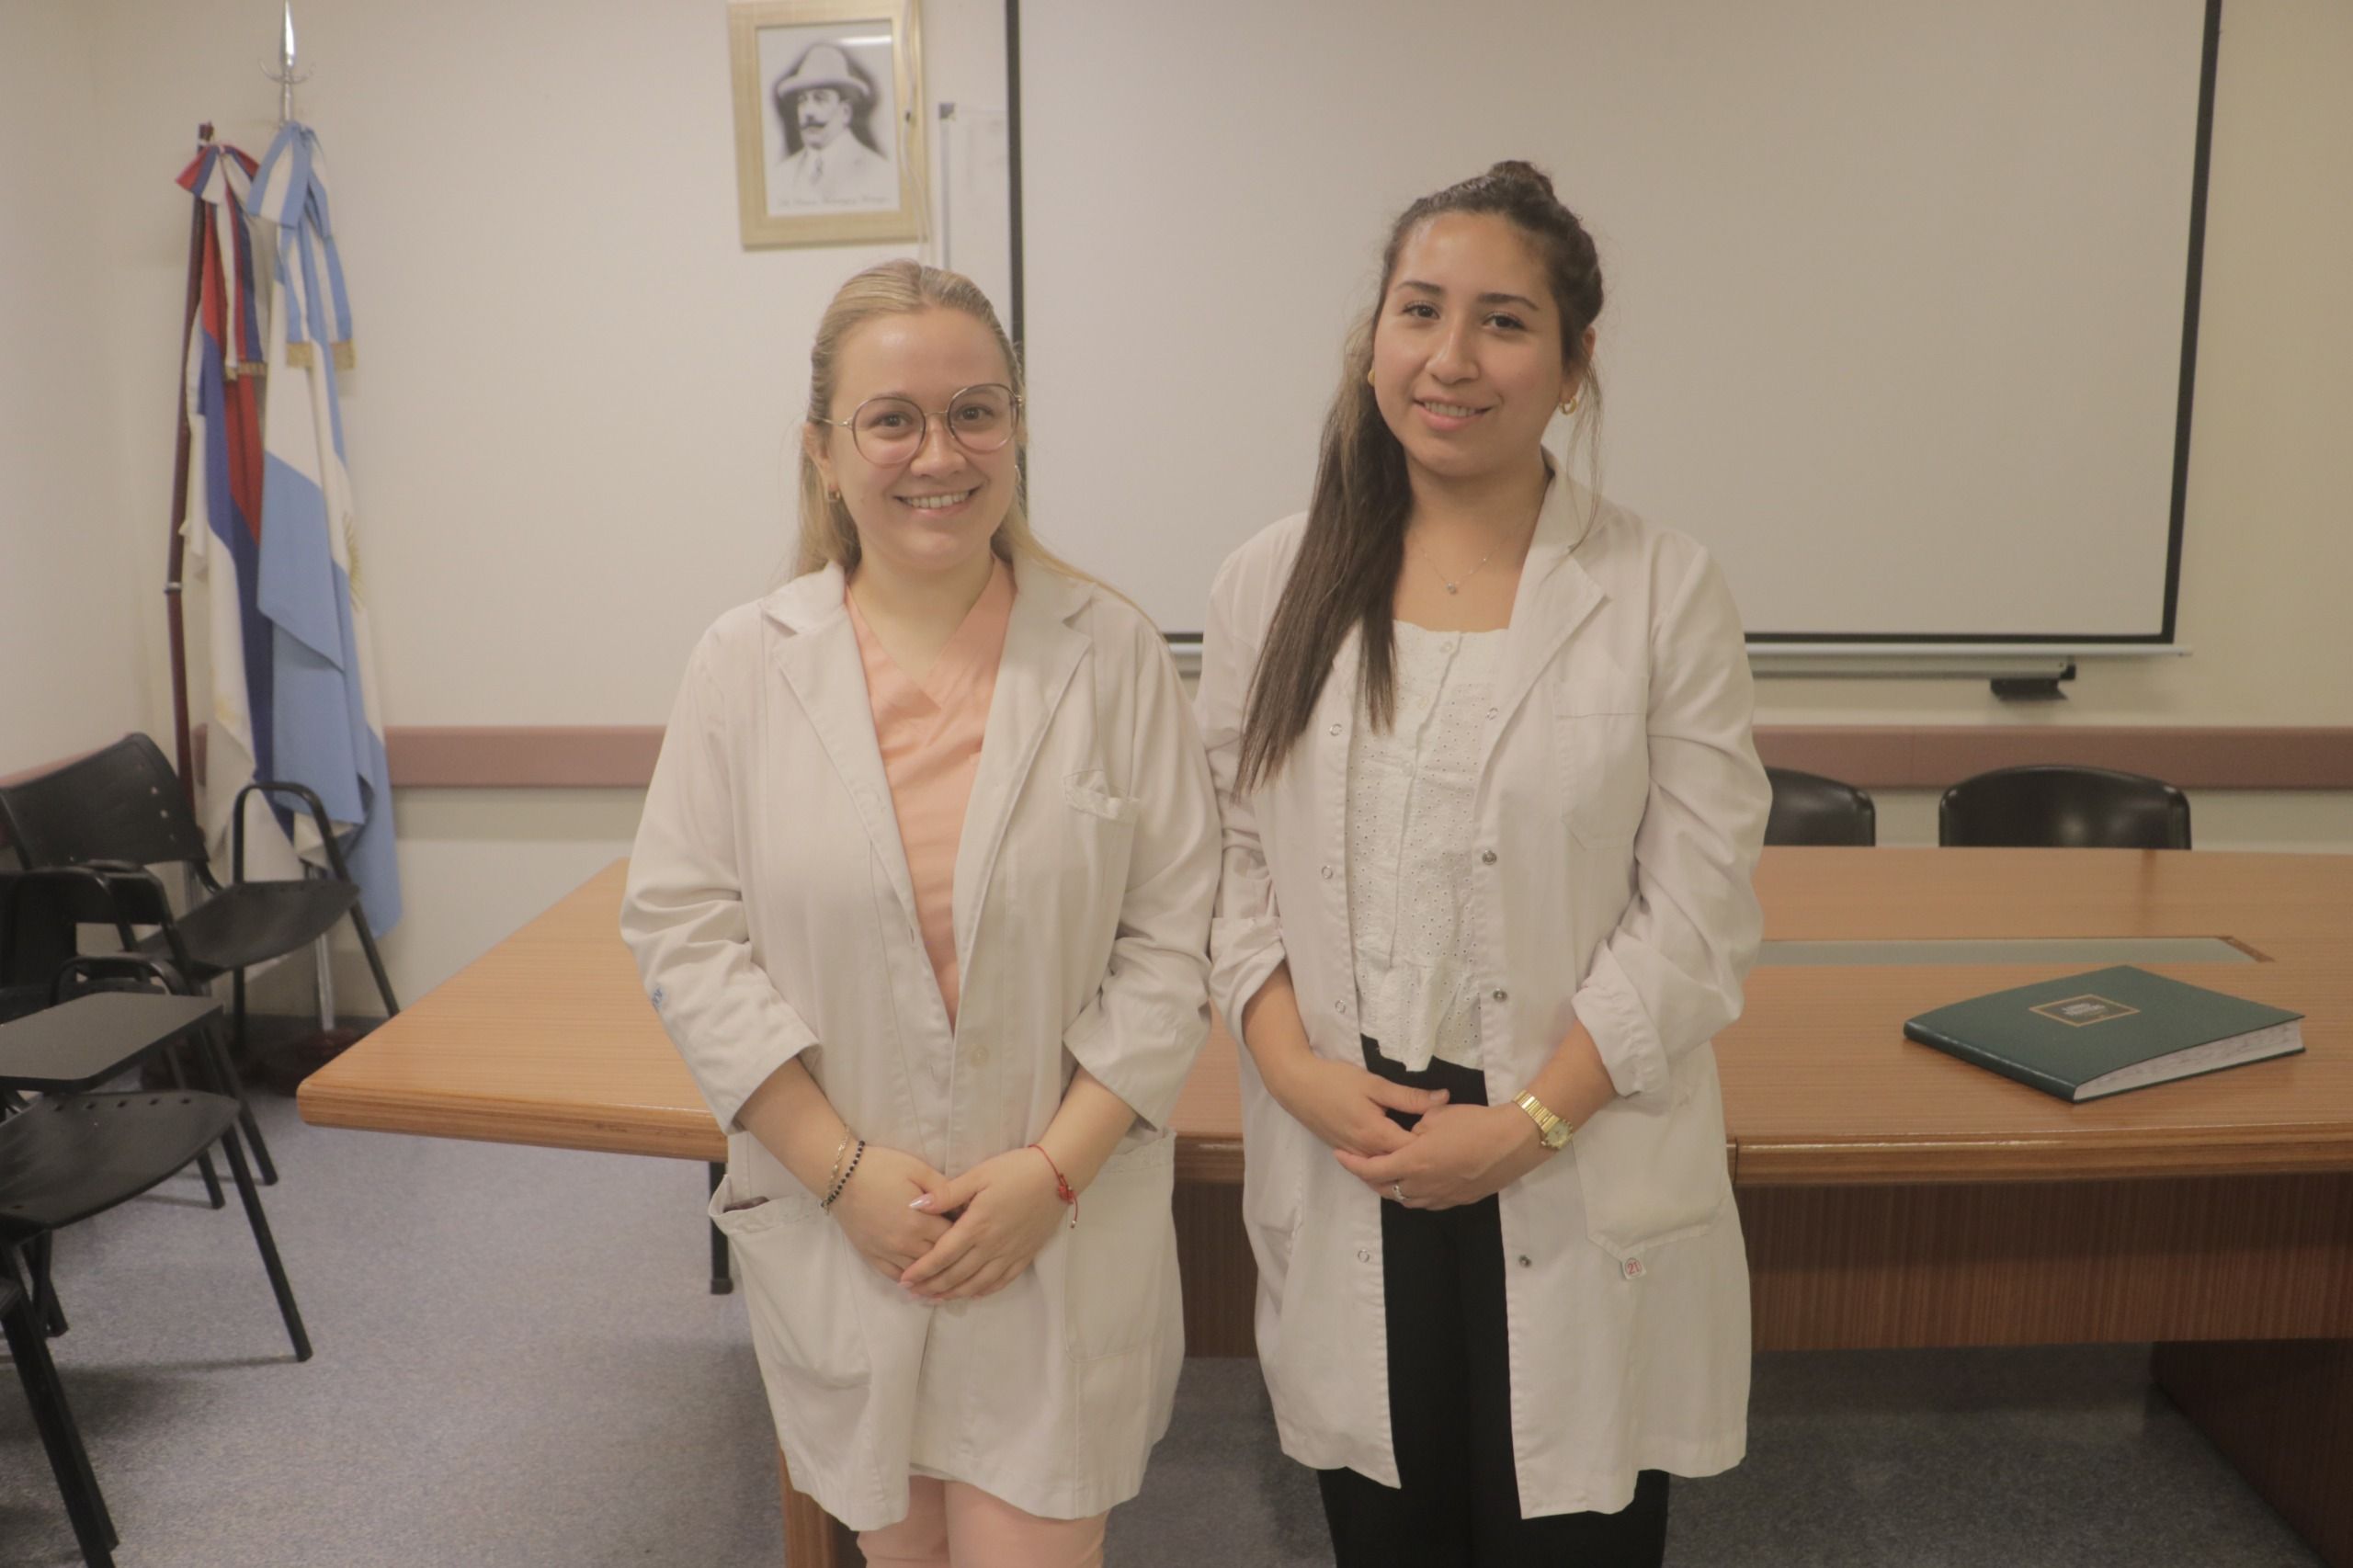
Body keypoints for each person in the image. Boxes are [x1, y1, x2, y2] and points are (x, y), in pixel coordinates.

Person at [1196, 162, 1771, 1566]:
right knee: (1385, 1530)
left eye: (1504, 322)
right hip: (1353, 1142)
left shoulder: (1661, 587)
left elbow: (1696, 913)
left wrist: (1526, 1125)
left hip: (1571, 1138)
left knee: (1573, 1532)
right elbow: (1226, 862)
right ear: (1374, 340)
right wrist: (1290, 1065)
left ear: (1573, 366)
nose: (1451, 358)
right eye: (1420, 311)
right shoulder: (1271, 580)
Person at [622, 259, 1216, 1567]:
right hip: (850, 1230)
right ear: (823, 451)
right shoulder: (744, 665)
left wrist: (1052, 1173)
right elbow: (683, 933)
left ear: (1017, 428)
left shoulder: (1112, 652)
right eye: (891, 419)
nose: (938, 454)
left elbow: (1175, 945)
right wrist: (841, 1174)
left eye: (975, 412)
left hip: (1056, 1223)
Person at [769, 41, 898, 209]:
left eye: (820, 99)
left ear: (845, 112)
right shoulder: (782, 175)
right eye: (802, 101)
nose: (808, 112)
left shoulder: (880, 172)